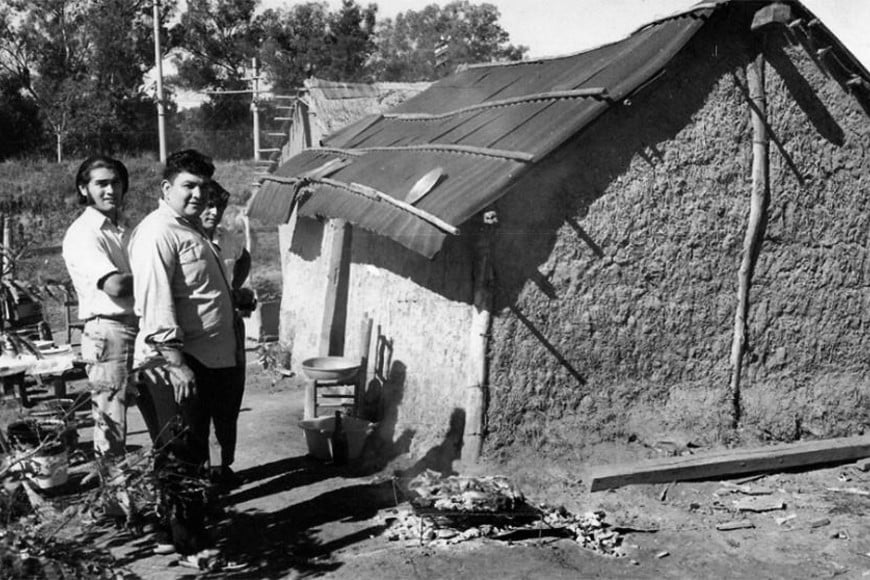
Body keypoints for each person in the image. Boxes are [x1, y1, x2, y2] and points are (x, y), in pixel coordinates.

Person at [129, 150, 243, 568]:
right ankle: (191, 544)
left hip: (201, 358)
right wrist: (175, 363)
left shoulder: (188, 228)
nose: (197, 194)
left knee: (178, 451)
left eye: (202, 187)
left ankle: (169, 532)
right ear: (166, 188)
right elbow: (155, 300)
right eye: (188, 186)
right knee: (184, 453)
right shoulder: (158, 232)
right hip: (175, 361)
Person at [62, 155, 137, 470]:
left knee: (166, 419)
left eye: (115, 182)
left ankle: (168, 501)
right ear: (84, 188)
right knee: (111, 427)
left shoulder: (125, 228)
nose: (110, 190)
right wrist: (162, 276)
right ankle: (116, 510)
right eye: (101, 183)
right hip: (108, 332)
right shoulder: (84, 233)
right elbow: (117, 286)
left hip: (140, 328)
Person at [199, 180, 253, 487]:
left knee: (230, 397)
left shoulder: (228, 238)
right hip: (201, 331)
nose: (213, 212)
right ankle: (206, 467)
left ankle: (223, 465)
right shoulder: (186, 239)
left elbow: (243, 259)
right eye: (207, 206)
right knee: (202, 400)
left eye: (218, 207)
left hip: (231, 327)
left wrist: (234, 290)